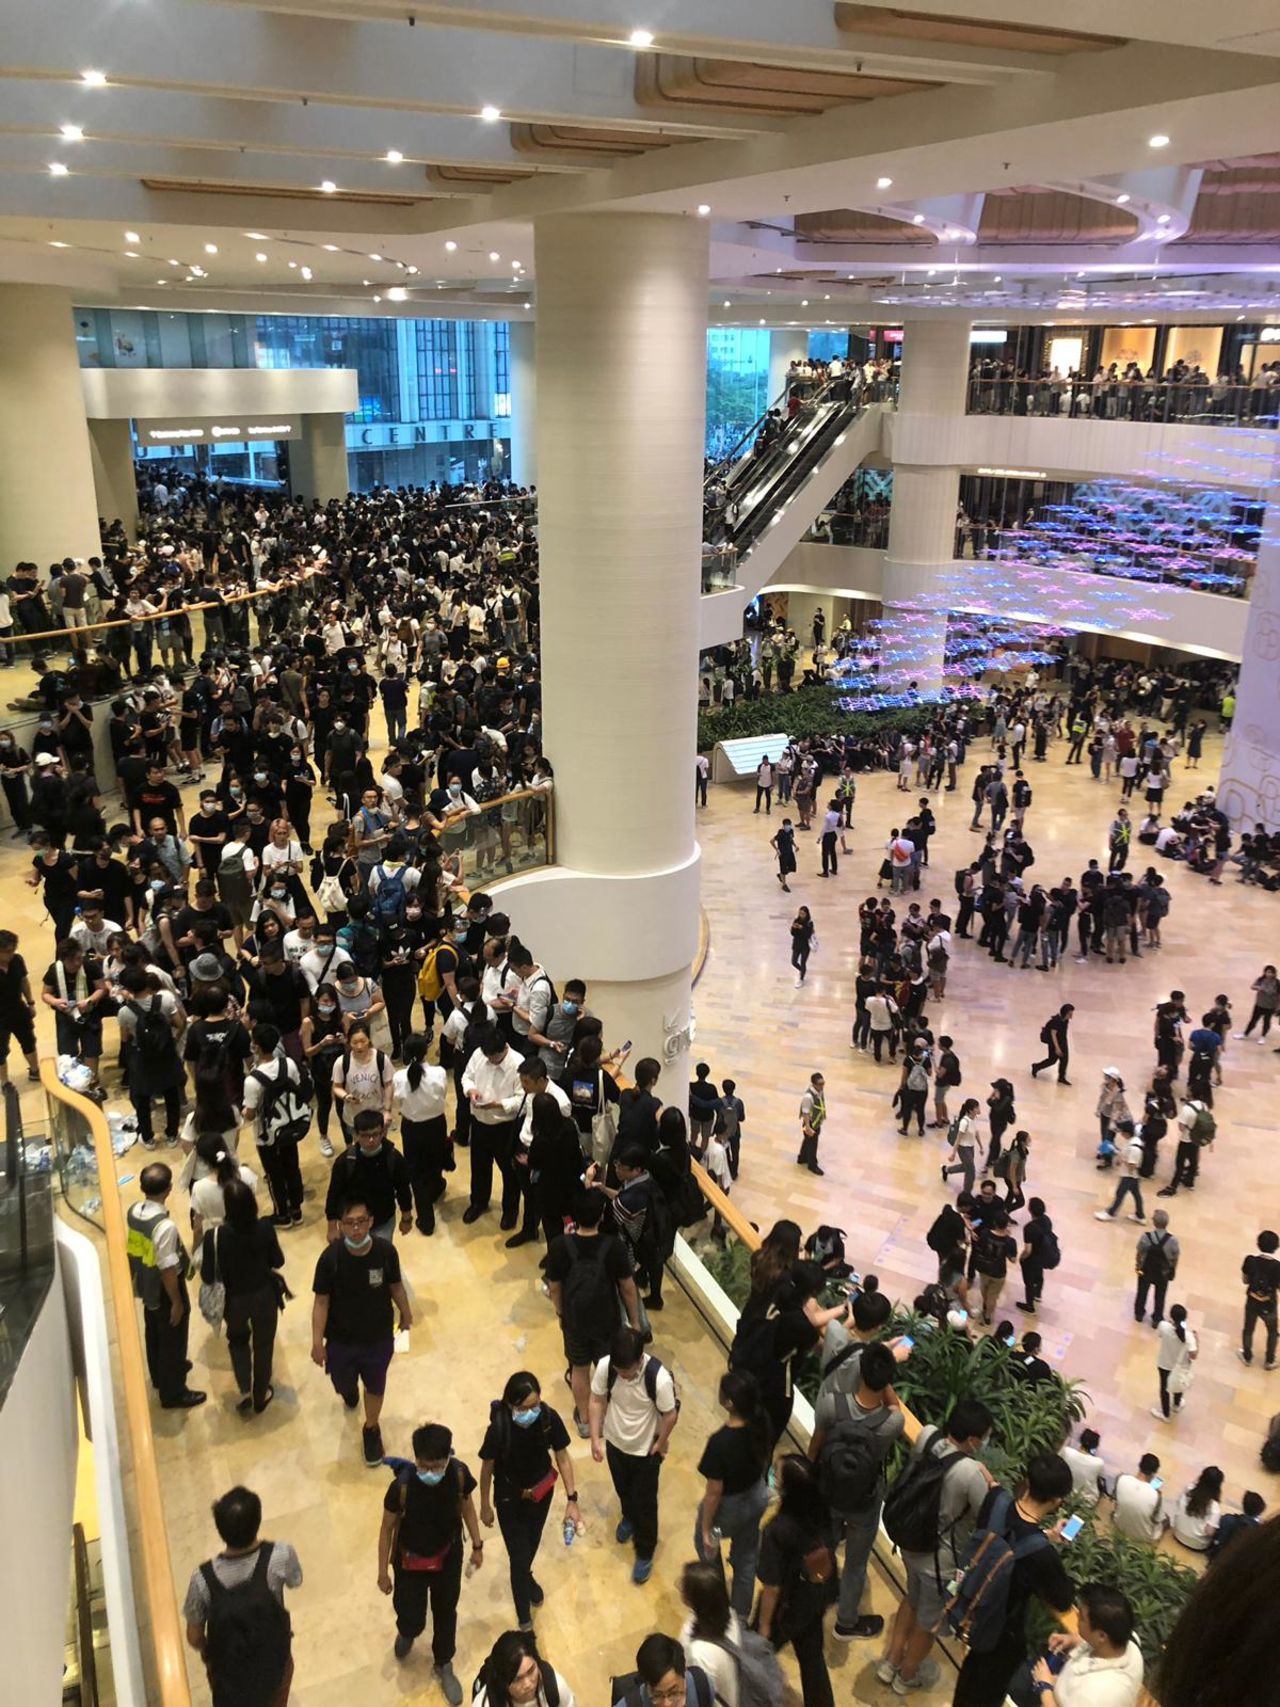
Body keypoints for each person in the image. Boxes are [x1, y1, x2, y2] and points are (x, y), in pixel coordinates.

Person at [877, 1400, 993, 1694]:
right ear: (973, 1439)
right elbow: (986, 1516)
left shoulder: (927, 1435)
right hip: (940, 1563)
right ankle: (906, 1675)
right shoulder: (971, 1473)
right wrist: (990, 1484)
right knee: (928, 1623)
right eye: (985, 1436)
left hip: (910, 1543)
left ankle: (890, 1660)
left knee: (911, 1599)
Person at [951, 1454, 1075, 1707]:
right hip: (1001, 1633)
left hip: (973, 1607)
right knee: (984, 1695)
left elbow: (1007, 1537)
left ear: (1028, 1481)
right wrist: (1046, 1541)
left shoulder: (996, 1501)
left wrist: (1047, 1535)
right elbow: (1063, 1600)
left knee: (969, 1680)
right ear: (1057, 1501)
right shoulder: (1042, 1555)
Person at [376, 1421, 482, 1696]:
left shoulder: (458, 1474)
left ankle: (444, 1662)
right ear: (416, 1460)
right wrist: (382, 1572)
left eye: (437, 1465)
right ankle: (408, 1630)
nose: (431, 1472)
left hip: (447, 1556)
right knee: (410, 1609)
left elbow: (468, 1507)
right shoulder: (402, 1487)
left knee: (446, 1610)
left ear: (448, 1457)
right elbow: (386, 1528)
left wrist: (477, 1545)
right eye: (425, 1466)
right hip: (409, 1561)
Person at [810, 1341, 905, 1642]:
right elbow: (895, 1407)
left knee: (822, 1543)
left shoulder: (830, 1404)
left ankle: (811, 1592)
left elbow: (815, 1446)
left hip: (827, 1491)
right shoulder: (891, 1423)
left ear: (859, 1372)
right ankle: (847, 1622)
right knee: (855, 1563)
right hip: (863, 1501)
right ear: (888, 1380)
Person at [311, 1193, 412, 1465]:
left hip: (377, 1338)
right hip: (341, 1341)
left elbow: (395, 1286)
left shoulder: (385, 1252)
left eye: (361, 1222)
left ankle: (371, 1428)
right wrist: (317, 1342)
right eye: (349, 1223)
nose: (356, 1229)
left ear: (371, 1222)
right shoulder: (330, 1259)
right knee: (344, 1383)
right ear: (340, 1225)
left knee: (376, 1384)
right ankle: (348, 1390)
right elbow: (321, 1301)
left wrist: (406, 1312)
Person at [478, 1371, 579, 1631]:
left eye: (535, 1405)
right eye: (525, 1408)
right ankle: (525, 1622)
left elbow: (563, 1457)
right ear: (511, 1404)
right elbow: (487, 1466)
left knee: (529, 1547)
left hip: (541, 1495)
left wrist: (572, 1498)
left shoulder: (548, 1418)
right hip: (510, 1498)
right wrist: (485, 1504)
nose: (531, 1411)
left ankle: (526, 1576)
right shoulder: (499, 1427)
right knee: (518, 1558)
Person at [182, 1485, 301, 1707]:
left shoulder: (202, 1580)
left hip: (228, 1674)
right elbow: (295, 1581)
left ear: (220, 1529)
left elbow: (194, 1637)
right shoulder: (280, 1556)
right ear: (258, 1520)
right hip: (275, 1660)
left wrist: (209, 1651)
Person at [544, 1192, 642, 1438]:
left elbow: (555, 1287)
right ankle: (607, 1415)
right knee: (607, 1367)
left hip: (575, 1321)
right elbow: (628, 1289)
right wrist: (635, 1322)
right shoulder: (613, 1247)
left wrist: (560, 1312)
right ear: (601, 1216)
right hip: (606, 1320)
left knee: (579, 1368)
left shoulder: (559, 1246)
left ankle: (586, 1421)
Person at [589, 1325, 680, 1586]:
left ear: (640, 1359)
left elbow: (670, 1414)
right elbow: (596, 1401)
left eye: (627, 1372)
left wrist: (660, 1443)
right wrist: (596, 1437)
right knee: (623, 1489)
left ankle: (645, 1550)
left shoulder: (659, 1378)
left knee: (646, 1503)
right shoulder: (607, 1367)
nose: (623, 1376)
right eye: (620, 1372)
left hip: (645, 1452)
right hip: (616, 1443)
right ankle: (628, 1516)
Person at [755, 1453, 837, 1707]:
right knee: (811, 1656)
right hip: (814, 1596)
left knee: (756, 1655)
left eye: (777, 1475)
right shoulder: (822, 1512)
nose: (774, 1477)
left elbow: (772, 1587)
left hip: (786, 1606)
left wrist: (764, 1625)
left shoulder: (777, 1531)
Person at [126, 1161, 206, 1410]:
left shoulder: (133, 1212)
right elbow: (167, 1268)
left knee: (153, 1331)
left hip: (146, 1285)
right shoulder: (165, 1227)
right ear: (169, 1189)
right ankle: (173, 1392)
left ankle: (160, 1375)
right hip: (164, 1289)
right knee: (173, 1335)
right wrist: (177, 1302)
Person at [201, 1178, 284, 1414]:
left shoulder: (214, 1237)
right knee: (264, 1344)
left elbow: (208, 1275)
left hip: (233, 1300)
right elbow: (278, 1260)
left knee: (237, 1341)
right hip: (264, 1295)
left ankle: (244, 1389)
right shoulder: (265, 1228)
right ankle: (260, 1393)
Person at [693, 1368, 771, 1618]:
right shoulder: (762, 1423)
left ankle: (716, 1604)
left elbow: (714, 1493)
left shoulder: (721, 1442)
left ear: (729, 1402)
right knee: (746, 1557)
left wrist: (707, 1529)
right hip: (757, 1497)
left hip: (727, 1514)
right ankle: (739, 1617)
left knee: (707, 1547)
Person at [1029, 1584, 1144, 1707]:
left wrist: (1045, 1686)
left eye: (1082, 1617)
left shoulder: (1096, 1695)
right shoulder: (1129, 1647)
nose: (1077, 1617)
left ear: (1101, 1636)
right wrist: (1074, 1640)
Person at [241, 1023, 309, 1228]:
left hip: (267, 1134)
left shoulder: (253, 1080)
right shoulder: (288, 1064)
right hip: (292, 1124)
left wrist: (244, 1112)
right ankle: (297, 1210)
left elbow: (250, 1114)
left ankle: (282, 1214)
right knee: (292, 1167)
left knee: (274, 1174)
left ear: (256, 1046)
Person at [461, 1023, 526, 1227]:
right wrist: (471, 1091)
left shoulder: (518, 1063)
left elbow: (522, 1099)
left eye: (493, 1057)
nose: (489, 1060)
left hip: (505, 1127)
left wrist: (497, 1105)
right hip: (480, 1122)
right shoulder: (480, 1054)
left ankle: (510, 1210)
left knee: (509, 1171)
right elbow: (467, 1076)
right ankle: (478, 1202)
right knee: (479, 1165)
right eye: (486, 1056)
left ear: (503, 1049)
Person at [324, 1108, 413, 1244]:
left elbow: (403, 1190)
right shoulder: (346, 1161)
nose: (371, 1140)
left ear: (383, 1132)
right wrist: (332, 1227)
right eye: (365, 1135)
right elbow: (334, 1194)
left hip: (383, 1221)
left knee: (381, 1258)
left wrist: (406, 1218)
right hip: (352, 1223)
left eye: (375, 1134)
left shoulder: (393, 1158)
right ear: (356, 1135)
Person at [393, 1033, 451, 1235]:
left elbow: (399, 1103)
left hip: (412, 1128)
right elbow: (443, 1095)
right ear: (426, 1051)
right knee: (435, 1161)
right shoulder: (439, 1072)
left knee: (416, 1173)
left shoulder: (399, 1077)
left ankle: (426, 1220)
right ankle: (435, 1188)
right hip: (436, 1125)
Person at [472, 1630, 577, 1707]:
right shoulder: (484, 1704)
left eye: (531, 1671)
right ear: (503, 1681)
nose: (527, 1684)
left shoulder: (555, 1687)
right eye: (517, 1679)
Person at [1239, 1227, 1280, 1370]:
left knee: (1248, 1329)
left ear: (1258, 1244)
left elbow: (1245, 1280)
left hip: (1252, 1301)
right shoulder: (1277, 1267)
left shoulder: (1250, 1261)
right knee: (1272, 1331)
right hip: (1269, 1304)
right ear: (1276, 1247)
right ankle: (1269, 1360)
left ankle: (1247, 1356)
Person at [1134, 1209, 1179, 1326]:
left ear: (1154, 1222)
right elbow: (1175, 1257)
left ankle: (1139, 1313)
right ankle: (1157, 1318)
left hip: (1145, 1270)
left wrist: (1138, 1266)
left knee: (1142, 1292)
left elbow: (1139, 1253)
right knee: (1160, 1296)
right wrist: (1172, 1270)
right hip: (1163, 1273)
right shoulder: (1172, 1240)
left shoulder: (1145, 1237)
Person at [1154, 1303, 1197, 1420]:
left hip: (1164, 1364)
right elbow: (1193, 1356)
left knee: (1164, 1388)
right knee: (1179, 1383)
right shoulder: (1188, 1336)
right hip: (1181, 1366)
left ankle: (1165, 1414)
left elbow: (1160, 1335)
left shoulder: (1163, 1326)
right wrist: (1197, 1339)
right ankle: (1177, 1404)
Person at [1112, 1453, 1166, 1544]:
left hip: (1119, 1526)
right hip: (1142, 1537)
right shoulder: (1156, 1495)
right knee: (1165, 1519)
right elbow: (1156, 1519)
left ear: (1139, 1465)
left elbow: (1115, 1500)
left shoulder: (1121, 1479)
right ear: (1154, 1473)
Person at [1017, 1196, 1057, 1315]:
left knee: (1029, 1281)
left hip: (1032, 1258)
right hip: (1043, 1255)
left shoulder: (1029, 1228)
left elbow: (1028, 1250)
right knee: (1039, 1275)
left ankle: (1029, 1305)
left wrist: (1022, 1258)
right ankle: (1038, 1294)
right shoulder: (1046, 1220)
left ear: (1030, 1210)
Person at [1171, 1466, 1223, 1552]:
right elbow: (1209, 1532)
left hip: (1178, 1533)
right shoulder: (1214, 1507)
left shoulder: (1188, 1490)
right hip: (1198, 1544)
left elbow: (1178, 1504)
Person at [1059, 1428, 1107, 1507]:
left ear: (1081, 1439)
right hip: (1086, 1501)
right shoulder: (1098, 1463)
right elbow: (1102, 1477)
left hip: (1062, 1493)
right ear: (1095, 1446)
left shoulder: (1067, 1451)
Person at [942, 1098, 981, 1194]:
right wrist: (953, 1154)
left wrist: (981, 1146)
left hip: (971, 1147)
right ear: (971, 1110)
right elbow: (958, 1139)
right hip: (963, 1148)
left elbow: (976, 1132)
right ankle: (966, 1193)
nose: (979, 1109)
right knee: (971, 1171)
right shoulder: (964, 1122)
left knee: (966, 1167)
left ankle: (946, 1169)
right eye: (976, 1107)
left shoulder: (974, 1119)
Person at [1031, 1003, 1073, 1084]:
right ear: (1065, 1013)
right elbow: (1053, 1035)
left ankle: (1061, 1077)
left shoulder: (1065, 1021)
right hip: (1054, 1043)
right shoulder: (1056, 1021)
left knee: (1064, 1060)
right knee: (1052, 1060)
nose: (1071, 1016)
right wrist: (1057, 1048)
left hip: (1063, 1042)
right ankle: (1036, 1066)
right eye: (1070, 1014)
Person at [796, 1071, 826, 1175]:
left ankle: (802, 1157)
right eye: (820, 1084)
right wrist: (808, 1127)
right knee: (813, 1144)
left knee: (808, 1140)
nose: (822, 1086)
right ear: (814, 1084)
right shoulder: (808, 1097)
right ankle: (812, 1165)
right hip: (811, 1123)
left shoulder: (819, 1091)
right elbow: (806, 1113)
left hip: (816, 1122)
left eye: (823, 1083)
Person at [790, 906, 815, 986]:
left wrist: (802, 928)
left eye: (803, 914)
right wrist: (793, 928)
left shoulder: (809, 923)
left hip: (805, 946)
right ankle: (802, 970)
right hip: (797, 945)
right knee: (794, 962)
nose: (801, 915)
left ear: (806, 914)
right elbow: (793, 934)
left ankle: (801, 978)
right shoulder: (796, 920)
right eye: (800, 913)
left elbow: (808, 935)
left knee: (803, 962)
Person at [771, 819, 797, 892]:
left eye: (789, 824)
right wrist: (777, 849)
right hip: (782, 853)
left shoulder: (791, 831)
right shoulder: (781, 833)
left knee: (792, 867)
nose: (788, 826)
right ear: (783, 825)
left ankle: (781, 875)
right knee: (783, 868)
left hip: (790, 851)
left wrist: (795, 846)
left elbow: (791, 839)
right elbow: (772, 841)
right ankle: (784, 884)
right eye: (786, 825)